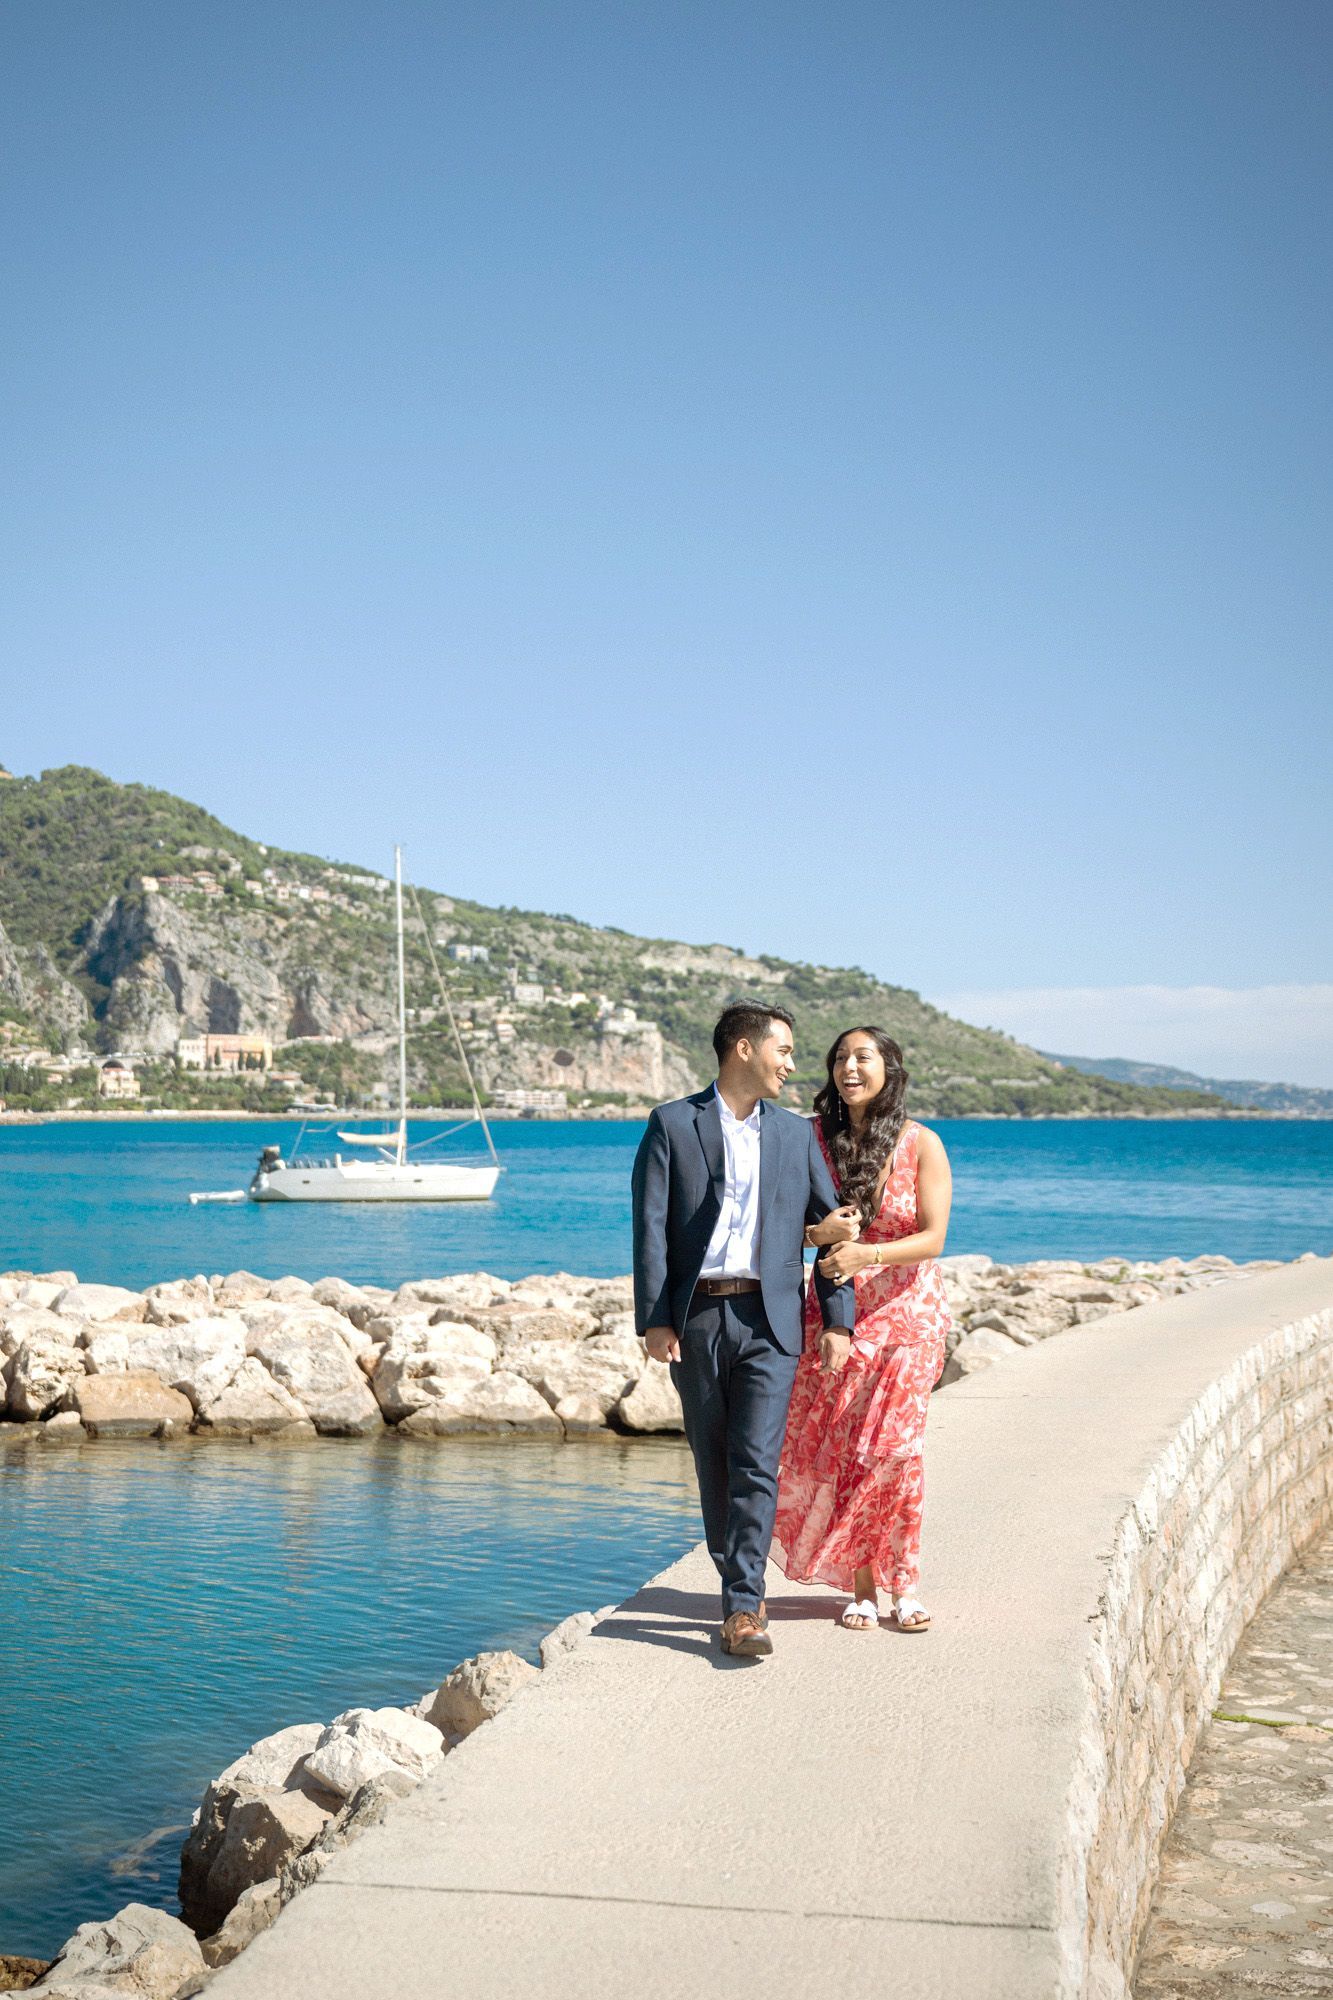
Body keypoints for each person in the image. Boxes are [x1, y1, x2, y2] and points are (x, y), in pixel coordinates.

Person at [631, 1002, 855, 1658]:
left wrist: (837, 1318)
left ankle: (743, 1607)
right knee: (715, 1462)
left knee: (756, 1462)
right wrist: (655, 1317)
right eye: (781, 1049)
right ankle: (737, 1578)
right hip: (697, 1318)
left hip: (770, 1319)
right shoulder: (672, 1124)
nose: (791, 1063)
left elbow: (832, 1229)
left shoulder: (795, 1135)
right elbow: (649, 1226)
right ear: (742, 1050)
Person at [772, 1026, 952, 1633]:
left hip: (909, 1319)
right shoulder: (813, 1140)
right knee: (849, 1451)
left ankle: (906, 1583)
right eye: (841, 1058)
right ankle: (863, 1588)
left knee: (896, 1453)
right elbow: (787, 1226)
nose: (850, 1067)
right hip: (835, 1318)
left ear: (889, 1068)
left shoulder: (922, 1143)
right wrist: (821, 1242)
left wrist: (865, 1257)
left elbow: (933, 1237)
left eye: (863, 1057)